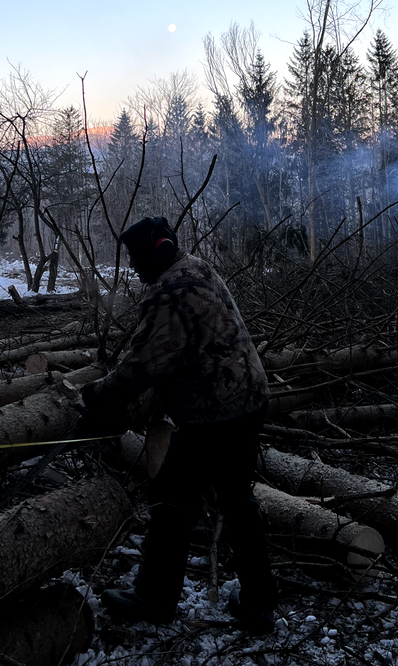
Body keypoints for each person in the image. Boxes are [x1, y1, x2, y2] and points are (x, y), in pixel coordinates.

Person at [81, 215, 276, 632]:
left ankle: (154, 598)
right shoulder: (196, 267)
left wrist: (96, 395)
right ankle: (260, 602)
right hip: (249, 399)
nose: (132, 265)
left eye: (135, 256)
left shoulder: (170, 289)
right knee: (237, 499)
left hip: (215, 412)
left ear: (160, 250)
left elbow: (144, 365)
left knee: (170, 497)